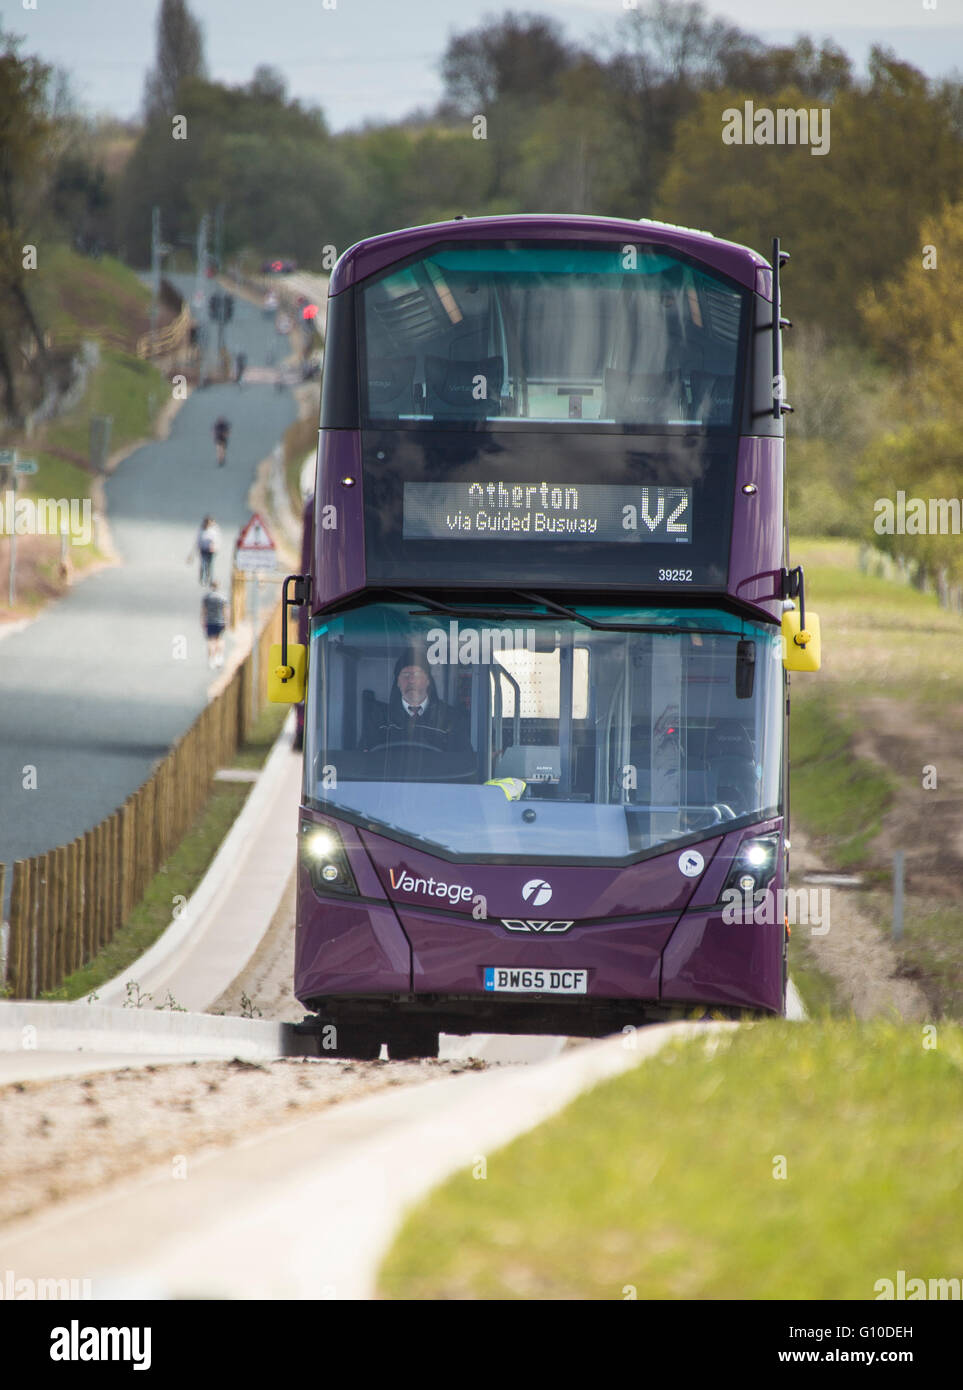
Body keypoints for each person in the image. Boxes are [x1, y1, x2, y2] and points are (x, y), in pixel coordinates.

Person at [360, 647, 470, 753]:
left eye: (417, 674)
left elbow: (463, 763)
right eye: (405, 674)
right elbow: (364, 760)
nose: (411, 680)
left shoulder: (451, 718)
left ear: (428, 681)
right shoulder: (378, 720)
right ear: (397, 682)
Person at [187, 515, 220, 585]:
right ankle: (203, 580)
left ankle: (211, 580)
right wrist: (193, 553)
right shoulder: (201, 530)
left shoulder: (214, 530)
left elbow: (217, 540)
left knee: (210, 566)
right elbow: (198, 541)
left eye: (209, 522)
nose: (207, 524)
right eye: (206, 522)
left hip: (212, 551)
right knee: (203, 565)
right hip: (204, 550)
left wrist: (214, 547)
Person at [202, 580, 228, 669]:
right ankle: (219, 657)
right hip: (220, 621)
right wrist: (227, 621)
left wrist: (203, 620)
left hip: (210, 621)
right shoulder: (222, 598)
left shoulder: (207, 597)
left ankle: (211, 659)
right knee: (219, 639)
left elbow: (204, 610)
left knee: (211, 641)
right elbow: (225, 611)